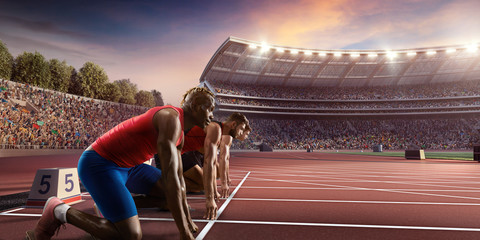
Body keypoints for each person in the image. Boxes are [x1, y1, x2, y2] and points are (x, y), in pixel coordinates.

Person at [26, 87, 215, 240]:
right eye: (210, 109)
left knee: (171, 194)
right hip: (100, 163)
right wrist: (184, 232)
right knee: (130, 235)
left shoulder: (181, 132)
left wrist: (188, 222)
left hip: (131, 167)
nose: (212, 116)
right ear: (197, 106)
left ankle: (108, 207)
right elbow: (171, 177)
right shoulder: (170, 118)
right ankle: (58, 210)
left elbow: (178, 183)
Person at [181, 113, 249, 220]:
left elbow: (211, 163)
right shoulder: (216, 128)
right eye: (241, 129)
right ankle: (172, 183)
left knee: (203, 183)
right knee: (202, 183)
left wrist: (213, 191)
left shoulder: (220, 132)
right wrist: (210, 199)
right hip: (174, 153)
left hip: (185, 153)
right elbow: (209, 163)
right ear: (234, 124)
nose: (241, 133)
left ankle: (177, 184)